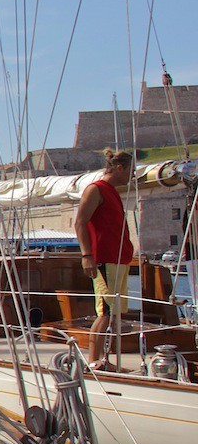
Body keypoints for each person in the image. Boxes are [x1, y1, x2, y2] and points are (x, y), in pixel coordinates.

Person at [73, 148, 136, 370]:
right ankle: (93, 360)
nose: (133, 176)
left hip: (118, 260)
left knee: (114, 313)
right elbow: (80, 222)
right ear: (120, 168)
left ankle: (105, 360)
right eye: (132, 171)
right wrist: (86, 255)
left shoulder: (112, 191)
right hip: (104, 259)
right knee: (105, 312)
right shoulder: (96, 190)